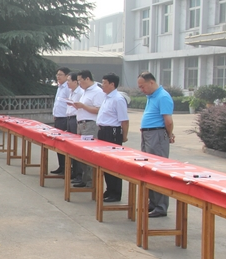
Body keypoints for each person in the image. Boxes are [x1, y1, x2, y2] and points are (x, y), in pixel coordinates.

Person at [137, 71, 175, 218]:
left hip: (157, 135)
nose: (141, 90)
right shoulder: (151, 96)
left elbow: (168, 121)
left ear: (151, 82)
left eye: (143, 86)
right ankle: (152, 202)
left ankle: (161, 206)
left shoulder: (163, 96)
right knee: (149, 170)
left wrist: (169, 135)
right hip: (148, 134)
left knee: (158, 170)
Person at [96, 73, 129, 202]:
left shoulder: (118, 99)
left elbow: (124, 120)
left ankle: (115, 193)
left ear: (112, 84)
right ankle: (109, 189)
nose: (102, 85)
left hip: (113, 133)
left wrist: (124, 136)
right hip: (103, 131)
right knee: (104, 162)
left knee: (113, 163)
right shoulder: (106, 97)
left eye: (104, 83)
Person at [70, 70, 105, 188]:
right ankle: (85, 179)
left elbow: (98, 110)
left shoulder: (97, 92)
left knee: (89, 153)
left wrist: (83, 106)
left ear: (87, 79)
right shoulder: (85, 91)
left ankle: (91, 181)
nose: (79, 83)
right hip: (81, 124)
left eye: (80, 80)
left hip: (90, 125)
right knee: (82, 153)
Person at [51, 67, 71, 174]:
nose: (58, 77)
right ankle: (61, 166)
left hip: (64, 119)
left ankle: (67, 167)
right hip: (58, 118)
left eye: (60, 75)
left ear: (67, 76)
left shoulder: (68, 88)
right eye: (57, 74)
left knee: (63, 144)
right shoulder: (60, 87)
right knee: (58, 144)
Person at [66, 73, 83, 184]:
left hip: (75, 119)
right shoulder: (71, 92)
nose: (67, 83)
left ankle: (79, 174)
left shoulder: (80, 92)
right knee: (71, 147)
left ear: (75, 82)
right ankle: (74, 171)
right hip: (69, 118)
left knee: (76, 148)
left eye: (69, 80)